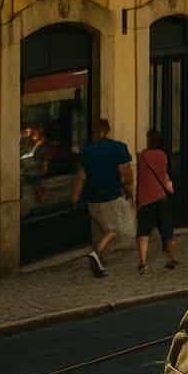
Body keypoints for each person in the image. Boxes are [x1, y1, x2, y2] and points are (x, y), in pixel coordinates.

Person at [72, 119, 133, 278]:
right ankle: (96, 254)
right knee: (114, 230)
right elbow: (127, 175)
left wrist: (75, 198)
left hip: (92, 198)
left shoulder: (86, 151)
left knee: (100, 231)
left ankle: (99, 264)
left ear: (95, 133)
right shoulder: (118, 148)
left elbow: (81, 177)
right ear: (107, 131)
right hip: (110, 197)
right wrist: (129, 189)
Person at [135, 130, 179, 273]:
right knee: (167, 230)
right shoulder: (162, 156)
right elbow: (163, 175)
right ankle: (170, 258)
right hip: (160, 197)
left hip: (144, 198)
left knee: (143, 232)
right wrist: (170, 187)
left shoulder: (142, 156)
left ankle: (142, 262)